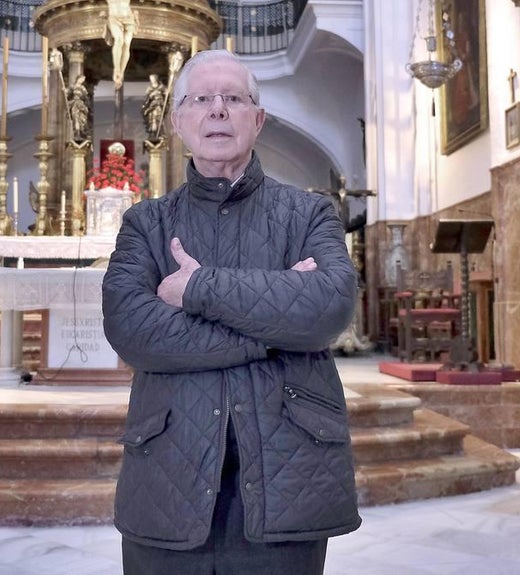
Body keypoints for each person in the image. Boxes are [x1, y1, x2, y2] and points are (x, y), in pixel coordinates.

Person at [102, 50, 361, 573]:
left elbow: (329, 307)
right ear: (178, 122)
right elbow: (133, 329)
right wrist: (274, 331)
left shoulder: (309, 213)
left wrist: (199, 287)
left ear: (257, 119)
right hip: (168, 470)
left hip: (289, 472)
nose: (217, 110)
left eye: (234, 98)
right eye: (201, 99)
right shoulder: (145, 224)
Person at [67, 0, 174, 89]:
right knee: (118, 40)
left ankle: (121, 72)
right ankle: (117, 71)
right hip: (114, 16)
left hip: (127, 16)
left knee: (126, 43)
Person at [65, 74, 91, 144]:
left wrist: (86, 104)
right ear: (78, 78)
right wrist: (66, 92)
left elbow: (86, 98)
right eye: (82, 79)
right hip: (75, 104)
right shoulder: (72, 87)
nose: (82, 80)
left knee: (82, 120)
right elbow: (68, 95)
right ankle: (77, 134)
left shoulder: (83, 88)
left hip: (81, 105)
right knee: (76, 119)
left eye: (83, 79)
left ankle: (82, 133)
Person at [141, 73, 167, 142]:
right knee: (152, 119)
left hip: (159, 106)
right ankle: (153, 133)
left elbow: (166, 95)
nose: (152, 80)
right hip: (152, 107)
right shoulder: (149, 89)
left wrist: (166, 94)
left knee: (158, 119)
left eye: (153, 78)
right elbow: (147, 100)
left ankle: (160, 133)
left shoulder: (161, 87)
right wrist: (151, 96)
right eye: (151, 79)